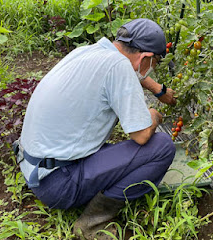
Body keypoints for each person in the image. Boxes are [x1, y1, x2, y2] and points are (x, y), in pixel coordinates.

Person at [14, 18, 177, 239]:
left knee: (117, 150)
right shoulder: (119, 68)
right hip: (58, 185)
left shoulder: (88, 51)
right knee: (162, 146)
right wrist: (153, 117)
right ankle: (93, 223)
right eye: (155, 64)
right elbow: (141, 135)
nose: (151, 71)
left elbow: (128, 68)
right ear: (146, 57)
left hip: (34, 166)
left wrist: (157, 88)